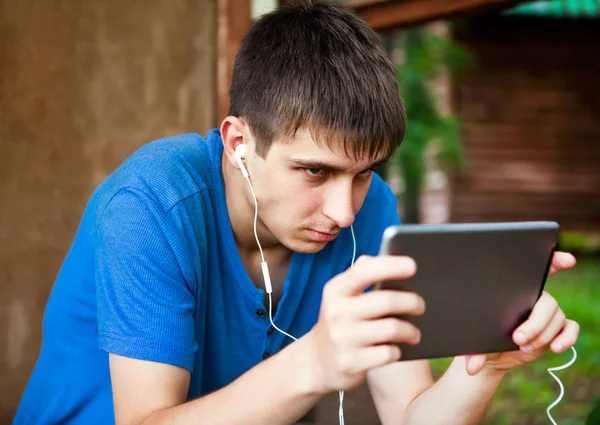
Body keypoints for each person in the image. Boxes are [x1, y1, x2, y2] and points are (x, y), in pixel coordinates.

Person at [13, 1, 580, 424]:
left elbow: (411, 414)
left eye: (363, 172)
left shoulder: (371, 207)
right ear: (239, 143)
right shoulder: (151, 204)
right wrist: (313, 362)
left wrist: (483, 365)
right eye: (315, 171)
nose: (342, 211)